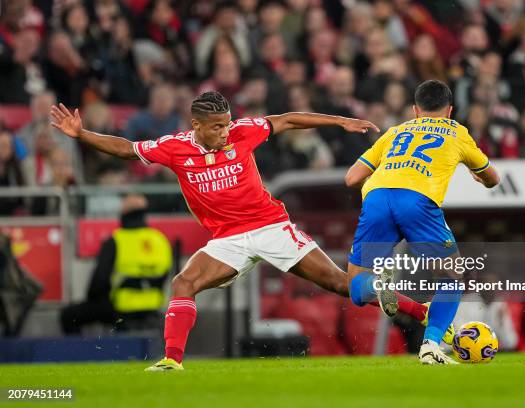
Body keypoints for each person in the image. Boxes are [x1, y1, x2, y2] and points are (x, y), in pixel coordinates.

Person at [49, 91, 429, 371]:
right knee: (184, 283)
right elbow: (126, 148)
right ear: (196, 126)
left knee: (341, 284)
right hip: (226, 240)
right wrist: (82, 135)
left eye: (228, 123)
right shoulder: (174, 147)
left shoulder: (243, 131)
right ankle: (171, 361)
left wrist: (340, 121)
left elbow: (287, 119)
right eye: (217, 127)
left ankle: (419, 310)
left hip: (271, 226)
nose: (226, 132)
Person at [344, 80, 500, 364]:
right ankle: (431, 345)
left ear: (415, 110)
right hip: (418, 199)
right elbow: (494, 179)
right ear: (450, 110)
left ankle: (379, 287)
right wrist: (479, 176)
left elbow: (351, 178)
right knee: (452, 277)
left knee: (356, 283)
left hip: (377, 196)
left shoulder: (396, 131)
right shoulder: (457, 132)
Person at [60, 194, 172, 334]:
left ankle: (82, 354)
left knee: (69, 315)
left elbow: (99, 281)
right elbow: (167, 275)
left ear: (124, 214)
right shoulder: (160, 240)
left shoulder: (116, 241)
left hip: (120, 309)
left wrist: (94, 301)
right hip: (153, 308)